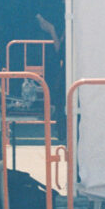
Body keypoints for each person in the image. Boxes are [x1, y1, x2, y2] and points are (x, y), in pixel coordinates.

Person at [35, 12, 66, 143]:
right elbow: (61, 51)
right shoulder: (69, 26)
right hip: (64, 74)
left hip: (67, 75)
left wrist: (52, 31)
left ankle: (65, 138)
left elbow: (62, 53)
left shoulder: (74, 25)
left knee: (62, 105)